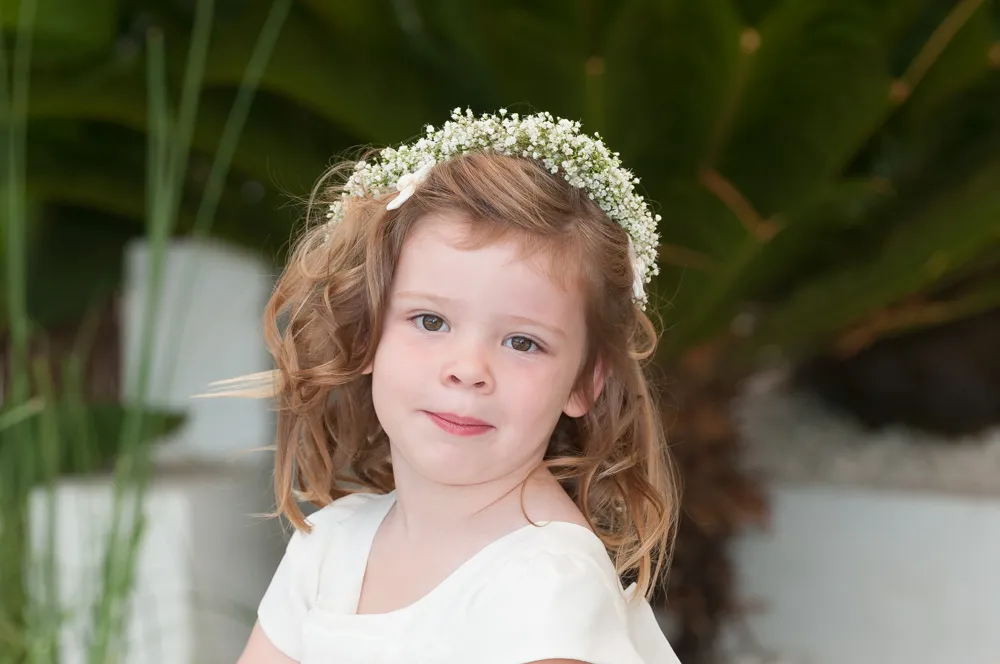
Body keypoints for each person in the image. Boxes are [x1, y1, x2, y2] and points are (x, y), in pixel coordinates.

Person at [236, 108, 682, 664]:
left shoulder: (546, 587)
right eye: (431, 321)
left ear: (584, 382)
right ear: (366, 333)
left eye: (522, 342)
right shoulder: (330, 546)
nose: (468, 368)